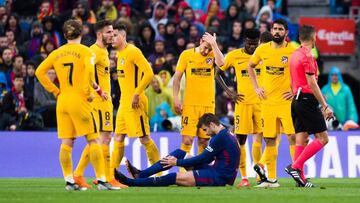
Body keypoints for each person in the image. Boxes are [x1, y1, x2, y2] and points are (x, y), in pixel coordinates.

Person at [35, 19, 111, 191]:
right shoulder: (86, 52)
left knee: (67, 142)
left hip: (62, 101)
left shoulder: (57, 53)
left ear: (64, 34)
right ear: (81, 33)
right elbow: (89, 73)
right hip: (80, 100)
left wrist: (55, 91)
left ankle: (69, 180)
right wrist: (90, 92)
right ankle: (102, 180)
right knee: (94, 139)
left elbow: (39, 71)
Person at [114, 113, 240, 187]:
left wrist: (177, 163)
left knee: (174, 176)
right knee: (180, 153)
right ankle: (141, 174)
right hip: (218, 172)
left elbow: (203, 158)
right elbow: (209, 158)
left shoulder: (220, 137)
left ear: (212, 125)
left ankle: (132, 182)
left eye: (205, 130)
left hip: (219, 178)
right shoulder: (225, 134)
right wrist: (181, 160)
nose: (206, 134)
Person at [72, 20, 127, 190]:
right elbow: (84, 74)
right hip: (98, 102)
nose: (112, 35)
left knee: (99, 140)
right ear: (99, 34)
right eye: (108, 32)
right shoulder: (93, 51)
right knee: (103, 138)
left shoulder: (103, 51)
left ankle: (80, 175)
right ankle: (107, 177)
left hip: (104, 101)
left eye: (113, 32)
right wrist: (95, 92)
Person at [247, 19, 296, 187]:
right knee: (270, 140)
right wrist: (256, 87)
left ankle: (298, 174)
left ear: (286, 32)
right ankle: (272, 179)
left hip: (285, 102)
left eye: (280, 29)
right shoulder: (262, 49)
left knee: (292, 137)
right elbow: (250, 66)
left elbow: (303, 71)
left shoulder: (292, 51)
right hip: (267, 103)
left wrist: (295, 89)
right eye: (274, 29)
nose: (276, 32)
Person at [286, 25, 334, 187]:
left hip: (296, 101)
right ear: (314, 39)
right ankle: (295, 166)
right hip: (307, 100)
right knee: (323, 138)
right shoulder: (308, 56)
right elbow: (312, 83)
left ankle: (301, 179)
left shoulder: (294, 54)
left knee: (302, 138)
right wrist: (325, 106)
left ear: (299, 38)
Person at [111, 23, 161, 176]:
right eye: (111, 35)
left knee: (144, 138)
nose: (112, 38)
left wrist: (137, 93)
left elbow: (149, 73)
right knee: (118, 137)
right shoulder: (119, 55)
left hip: (136, 102)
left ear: (123, 36)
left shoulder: (133, 51)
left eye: (115, 35)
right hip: (123, 103)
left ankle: (159, 174)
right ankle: (110, 175)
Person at [217, 28, 261, 187]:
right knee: (241, 139)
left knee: (260, 138)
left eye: (255, 44)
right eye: (250, 44)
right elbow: (217, 72)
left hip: (261, 103)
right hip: (242, 103)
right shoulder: (234, 55)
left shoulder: (263, 54)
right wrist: (229, 91)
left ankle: (260, 176)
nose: (252, 47)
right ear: (244, 41)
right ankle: (244, 178)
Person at [173, 32, 224, 156]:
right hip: (190, 105)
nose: (206, 51)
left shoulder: (213, 55)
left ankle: (199, 173)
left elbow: (222, 63)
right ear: (200, 41)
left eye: (209, 49)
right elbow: (177, 79)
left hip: (208, 105)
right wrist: (176, 98)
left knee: (204, 141)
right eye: (205, 47)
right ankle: (183, 173)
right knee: (187, 140)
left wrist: (214, 45)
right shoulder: (186, 55)